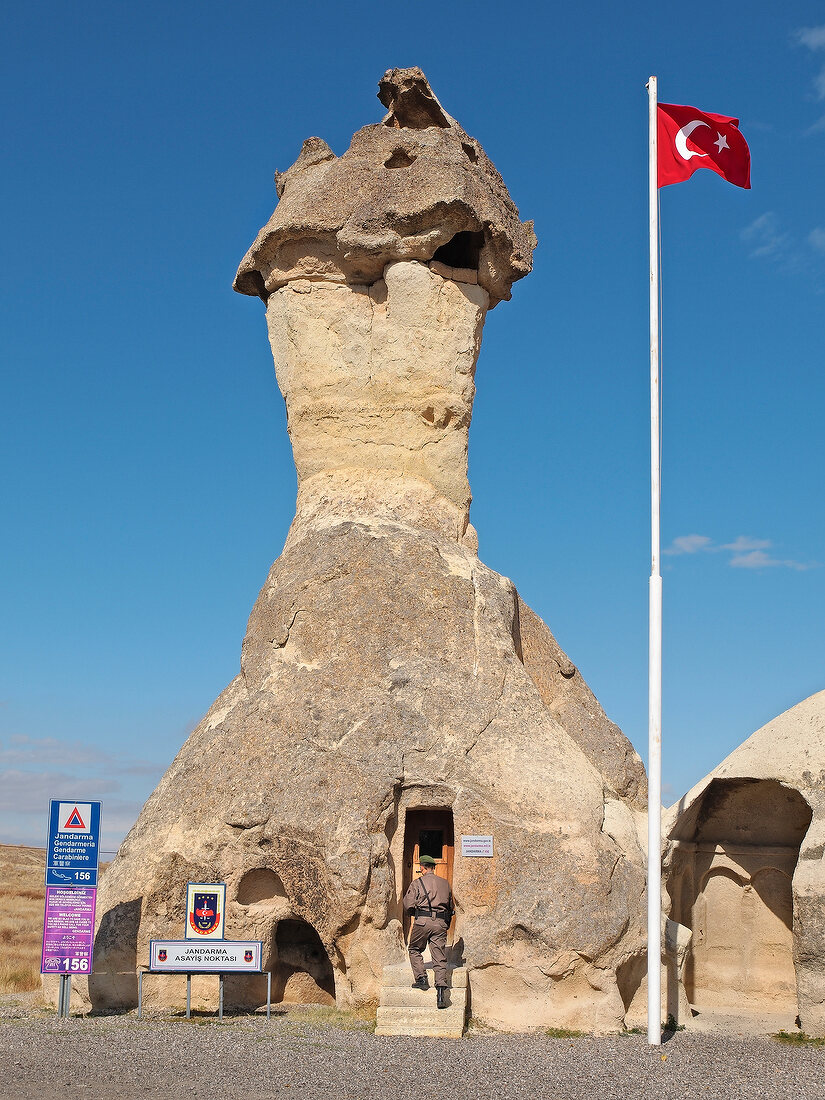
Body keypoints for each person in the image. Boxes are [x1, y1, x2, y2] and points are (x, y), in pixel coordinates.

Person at [402, 854, 454, 1009]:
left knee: (414, 948)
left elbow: (408, 905)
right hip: (440, 923)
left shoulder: (417, 883)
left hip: (422, 922)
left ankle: (422, 979)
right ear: (433, 867)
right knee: (439, 957)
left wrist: (416, 914)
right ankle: (440, 994)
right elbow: (451, 907)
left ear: (423, 868)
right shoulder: (445, 884)